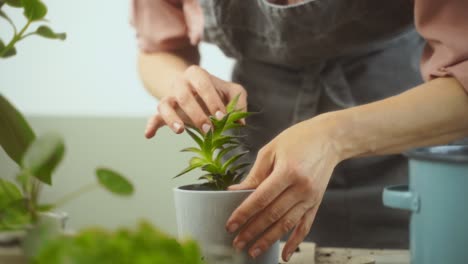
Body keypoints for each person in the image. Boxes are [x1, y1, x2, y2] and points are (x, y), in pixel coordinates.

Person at [131, 0, 468, 262]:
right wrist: (180, 83)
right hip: (260, 149)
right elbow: (158, 48)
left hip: (406, 146)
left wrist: (334, 136)